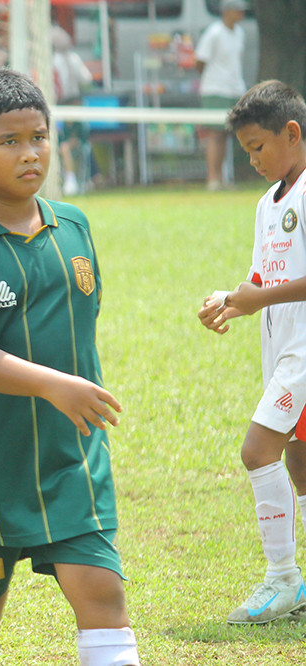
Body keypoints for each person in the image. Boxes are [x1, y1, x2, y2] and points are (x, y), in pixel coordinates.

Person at [0, 68, 140, 665]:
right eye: (10, 142)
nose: (31, 154)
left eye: (40, 137)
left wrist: (67, 393)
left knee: (102, 591)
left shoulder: (74, 225)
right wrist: (54, 385)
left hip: (69, 453)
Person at [197, 79, 306, 624]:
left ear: (292, 132)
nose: (253, 161)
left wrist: (258, 296)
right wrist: (233, 301)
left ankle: (283, 580)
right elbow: (263, 274)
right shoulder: (267, 204)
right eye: (246, 153)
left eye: (259, 147)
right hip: (282, 349)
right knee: (301, 463)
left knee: (257, 450)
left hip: (304, 354)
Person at [194, 0, 248, 191]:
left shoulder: (240, 33)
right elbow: (200, 61)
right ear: (227, 11)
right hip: (215, 90)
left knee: (226, 134)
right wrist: (214, 79)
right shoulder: (214, 32)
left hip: (234, 89)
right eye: (238, 10)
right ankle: (213, 178)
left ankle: (222, 177)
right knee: (215, 134)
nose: (241, 13)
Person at [52, 25, 94, 195]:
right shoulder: (75, 58)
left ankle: (72, 179)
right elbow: (87, 79)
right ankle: (81, 178)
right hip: (75, 105)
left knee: (66, 144)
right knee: (73, 144)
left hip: (64, 106)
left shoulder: (54, 61)